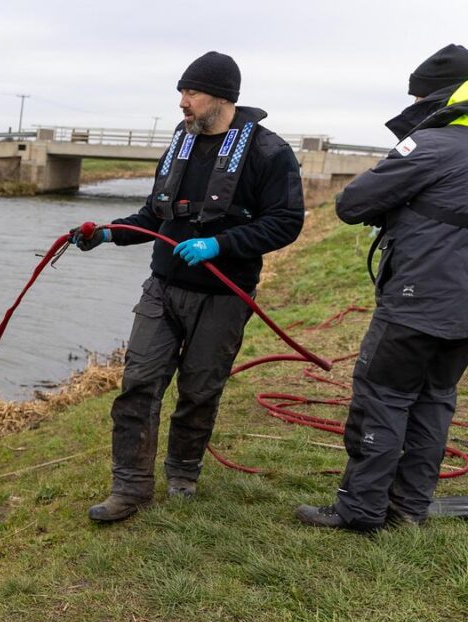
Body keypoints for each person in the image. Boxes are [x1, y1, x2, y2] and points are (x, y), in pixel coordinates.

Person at [70, 51, 305, 522]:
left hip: (223, 296)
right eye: (181, 92)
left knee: (199, 390)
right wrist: (111, 233)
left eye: (190, 92)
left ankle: (182, 472)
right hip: (162, 289)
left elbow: (286, 222)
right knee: (138, 383)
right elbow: (153, 216)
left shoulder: (267, 152)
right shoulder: (181, 141)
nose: (182, 102)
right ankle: (130, 488)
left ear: (221, 97)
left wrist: (220, 244)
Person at [296, 44, 468, 532]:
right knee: (435, 400)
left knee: (383, 397)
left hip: (417, 304)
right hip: (462, 315)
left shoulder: (431, 146)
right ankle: (409, 508)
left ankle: (361, 510)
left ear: (434, 97)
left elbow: (352, 203)